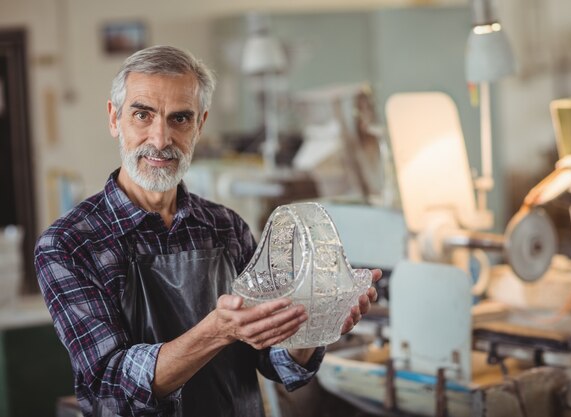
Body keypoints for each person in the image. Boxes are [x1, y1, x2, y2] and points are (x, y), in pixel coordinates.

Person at [34, 45, 381, 417]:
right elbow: (111, 389)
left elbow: (274, 363)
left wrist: (313, 328)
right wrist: (217, 331)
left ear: (200, 124)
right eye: (142, 115)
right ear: (114, 119)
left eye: (180, 119)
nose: (160, 138)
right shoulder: (69, 245)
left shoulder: (225, 227)